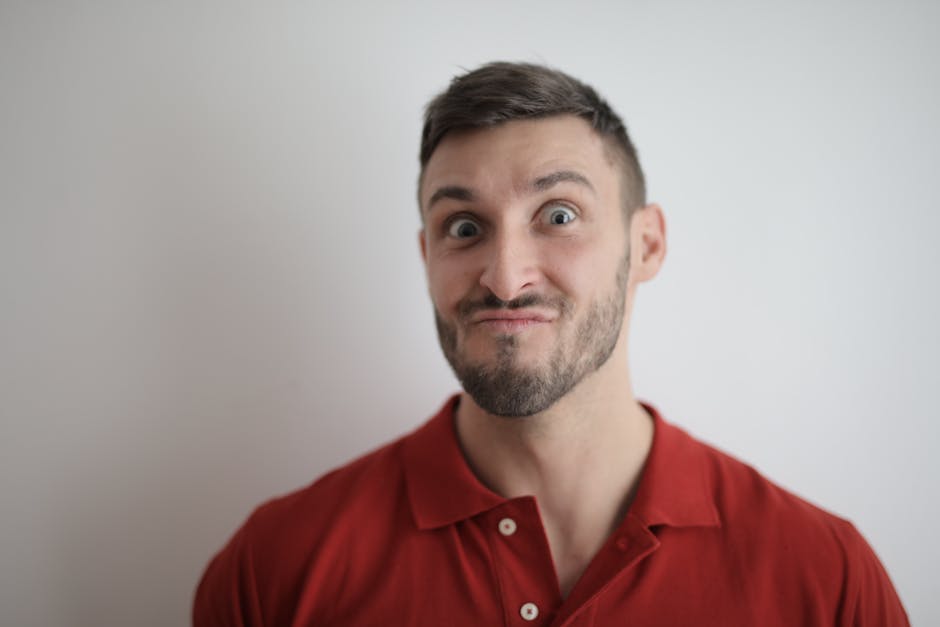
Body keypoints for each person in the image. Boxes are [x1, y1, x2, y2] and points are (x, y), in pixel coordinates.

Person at [193, 61, 908, 626]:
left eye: (559, 214)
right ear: (426, 255)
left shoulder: (826, 577)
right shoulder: (275, 569)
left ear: (646, 244)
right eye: (464, 227)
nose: (505, 279)